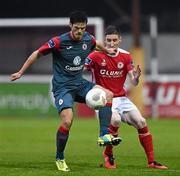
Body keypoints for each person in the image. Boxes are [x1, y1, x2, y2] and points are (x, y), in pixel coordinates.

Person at [10, 11, 116, 172]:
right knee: (67, 121)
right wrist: (20, 72)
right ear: (70, 25)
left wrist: (108, 52)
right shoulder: (58, 42)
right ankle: (60, 157)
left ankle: (103, 135)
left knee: (108, 94)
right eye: (77, 28)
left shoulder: (88, 38)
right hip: (63, 88)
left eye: (83, 28)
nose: (80, 31)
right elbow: (36, 54)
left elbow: (97, 44)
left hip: (79, 84)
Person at [84, 25, 168, 170]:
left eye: (114, 40)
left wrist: (136, 77)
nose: (111, 43)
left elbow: (134, 82)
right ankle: (108, 155)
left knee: (141, 122)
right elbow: (81, 70)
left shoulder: (126, 56)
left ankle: (152, 162)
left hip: (122, 99)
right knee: (115, 119)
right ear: (104, 41)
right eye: (108, 40)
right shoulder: (95, 55)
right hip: (104, 100)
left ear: (119, 40)